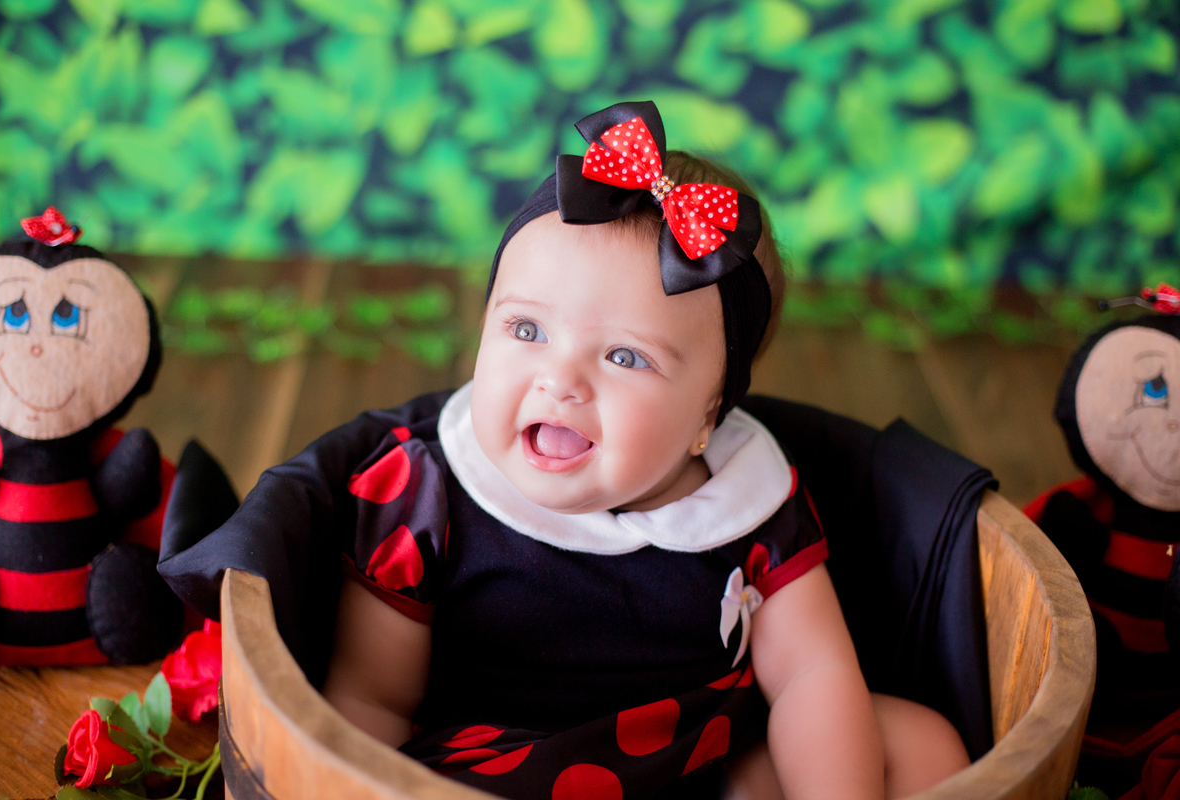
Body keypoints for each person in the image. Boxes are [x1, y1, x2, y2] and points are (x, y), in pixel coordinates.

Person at [196, 102, 971, 799]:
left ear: (710, 414)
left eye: (625, 357)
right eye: (526, 330)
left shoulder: (749, 504)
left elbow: (810, 677)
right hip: (486, 774)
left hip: (702, 764)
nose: (559, 380)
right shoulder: (426, 491)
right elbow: (372, 702)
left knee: (921, 743)